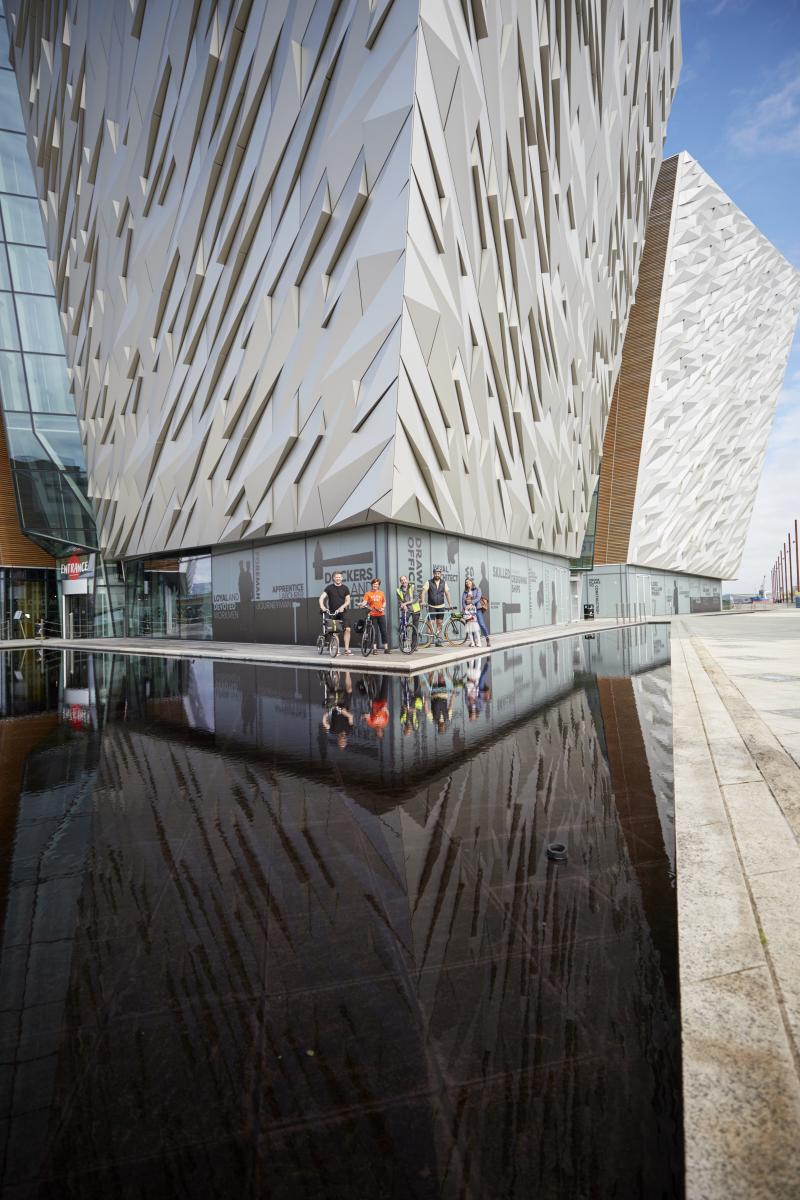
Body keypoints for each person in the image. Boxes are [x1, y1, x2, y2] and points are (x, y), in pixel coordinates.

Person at [319, 570, 353, 654]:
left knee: (348, 629)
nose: (338, 578)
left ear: (342, 578)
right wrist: (322, 606)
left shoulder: (345, 588)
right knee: (335, 632)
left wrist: (342, 607)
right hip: (333, 613)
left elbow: (348, 600)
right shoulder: (329, 587)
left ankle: (346, 650)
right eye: (336, 577)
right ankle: (337, 650)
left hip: (343, 612)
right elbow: (321, 598)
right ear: (333, 578)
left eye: (339, 577)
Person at [362, 578, 391, 653]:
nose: (375, 585)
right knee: (374, 632)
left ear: (378, 585)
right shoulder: (368, 593)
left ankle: (386, 648)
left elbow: (384, 602)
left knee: (384, 631)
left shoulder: (381, 593)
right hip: (372, 614)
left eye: (377, 584)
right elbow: (365, 602)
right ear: (372, 585)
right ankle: (374, 649)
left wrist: (383, 607)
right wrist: (363, 604)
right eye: (374, 584)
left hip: (381, 614)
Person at [422, 568, 451, 645]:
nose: (437, 575)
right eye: (435, 573)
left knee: (439, 623)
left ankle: (438, 641)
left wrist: (450, 604)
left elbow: (447, 593)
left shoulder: (444, 583)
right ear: (433, 574)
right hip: (432, 606)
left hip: (441, 606)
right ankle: (429, 642)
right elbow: (423, 591)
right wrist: (423, 601)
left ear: (440, 574)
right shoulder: (429, 582)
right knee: (430, 624)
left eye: (438, 573)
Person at [462, 576, 490, 646]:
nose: (467, 583)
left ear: (472, 582)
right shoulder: (465, 592)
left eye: (468, 581)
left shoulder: (477, 589)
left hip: (477, 609)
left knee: (481, 624)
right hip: (468, 611)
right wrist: (466, 608)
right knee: (471, 626)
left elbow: (478, 598)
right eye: (466, 582)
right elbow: (463, 602)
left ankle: (487, 638)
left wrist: (471, 603)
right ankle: (473, 642)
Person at [396, 575, 421, 641]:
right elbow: (400, 601)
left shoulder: (412, 587)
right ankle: (404, 636)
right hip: (406, 610)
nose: (403, 581)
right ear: (400, 582)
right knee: (404, 622)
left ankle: (414, 645)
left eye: (404, 580)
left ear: (407, 580)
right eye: (402, 580)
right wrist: (403, 605)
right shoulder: (398, 590)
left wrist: (406, 603)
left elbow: (415, 599)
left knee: (415, 628)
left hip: (415, 610)